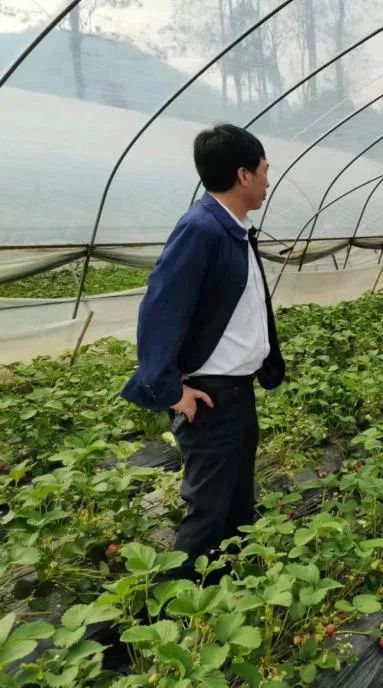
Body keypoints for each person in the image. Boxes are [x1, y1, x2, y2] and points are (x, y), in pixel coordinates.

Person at [121, 124, 285, 580]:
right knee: (208, 512)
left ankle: (227, 590)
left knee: (236, 503)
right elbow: (159, 308)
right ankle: (169, 615)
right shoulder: (201, 230)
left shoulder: (232, 228)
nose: (269, 180)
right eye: (265, 170)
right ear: (244, 175)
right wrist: (172, 390)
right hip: (210, 396)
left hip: (236, 392)